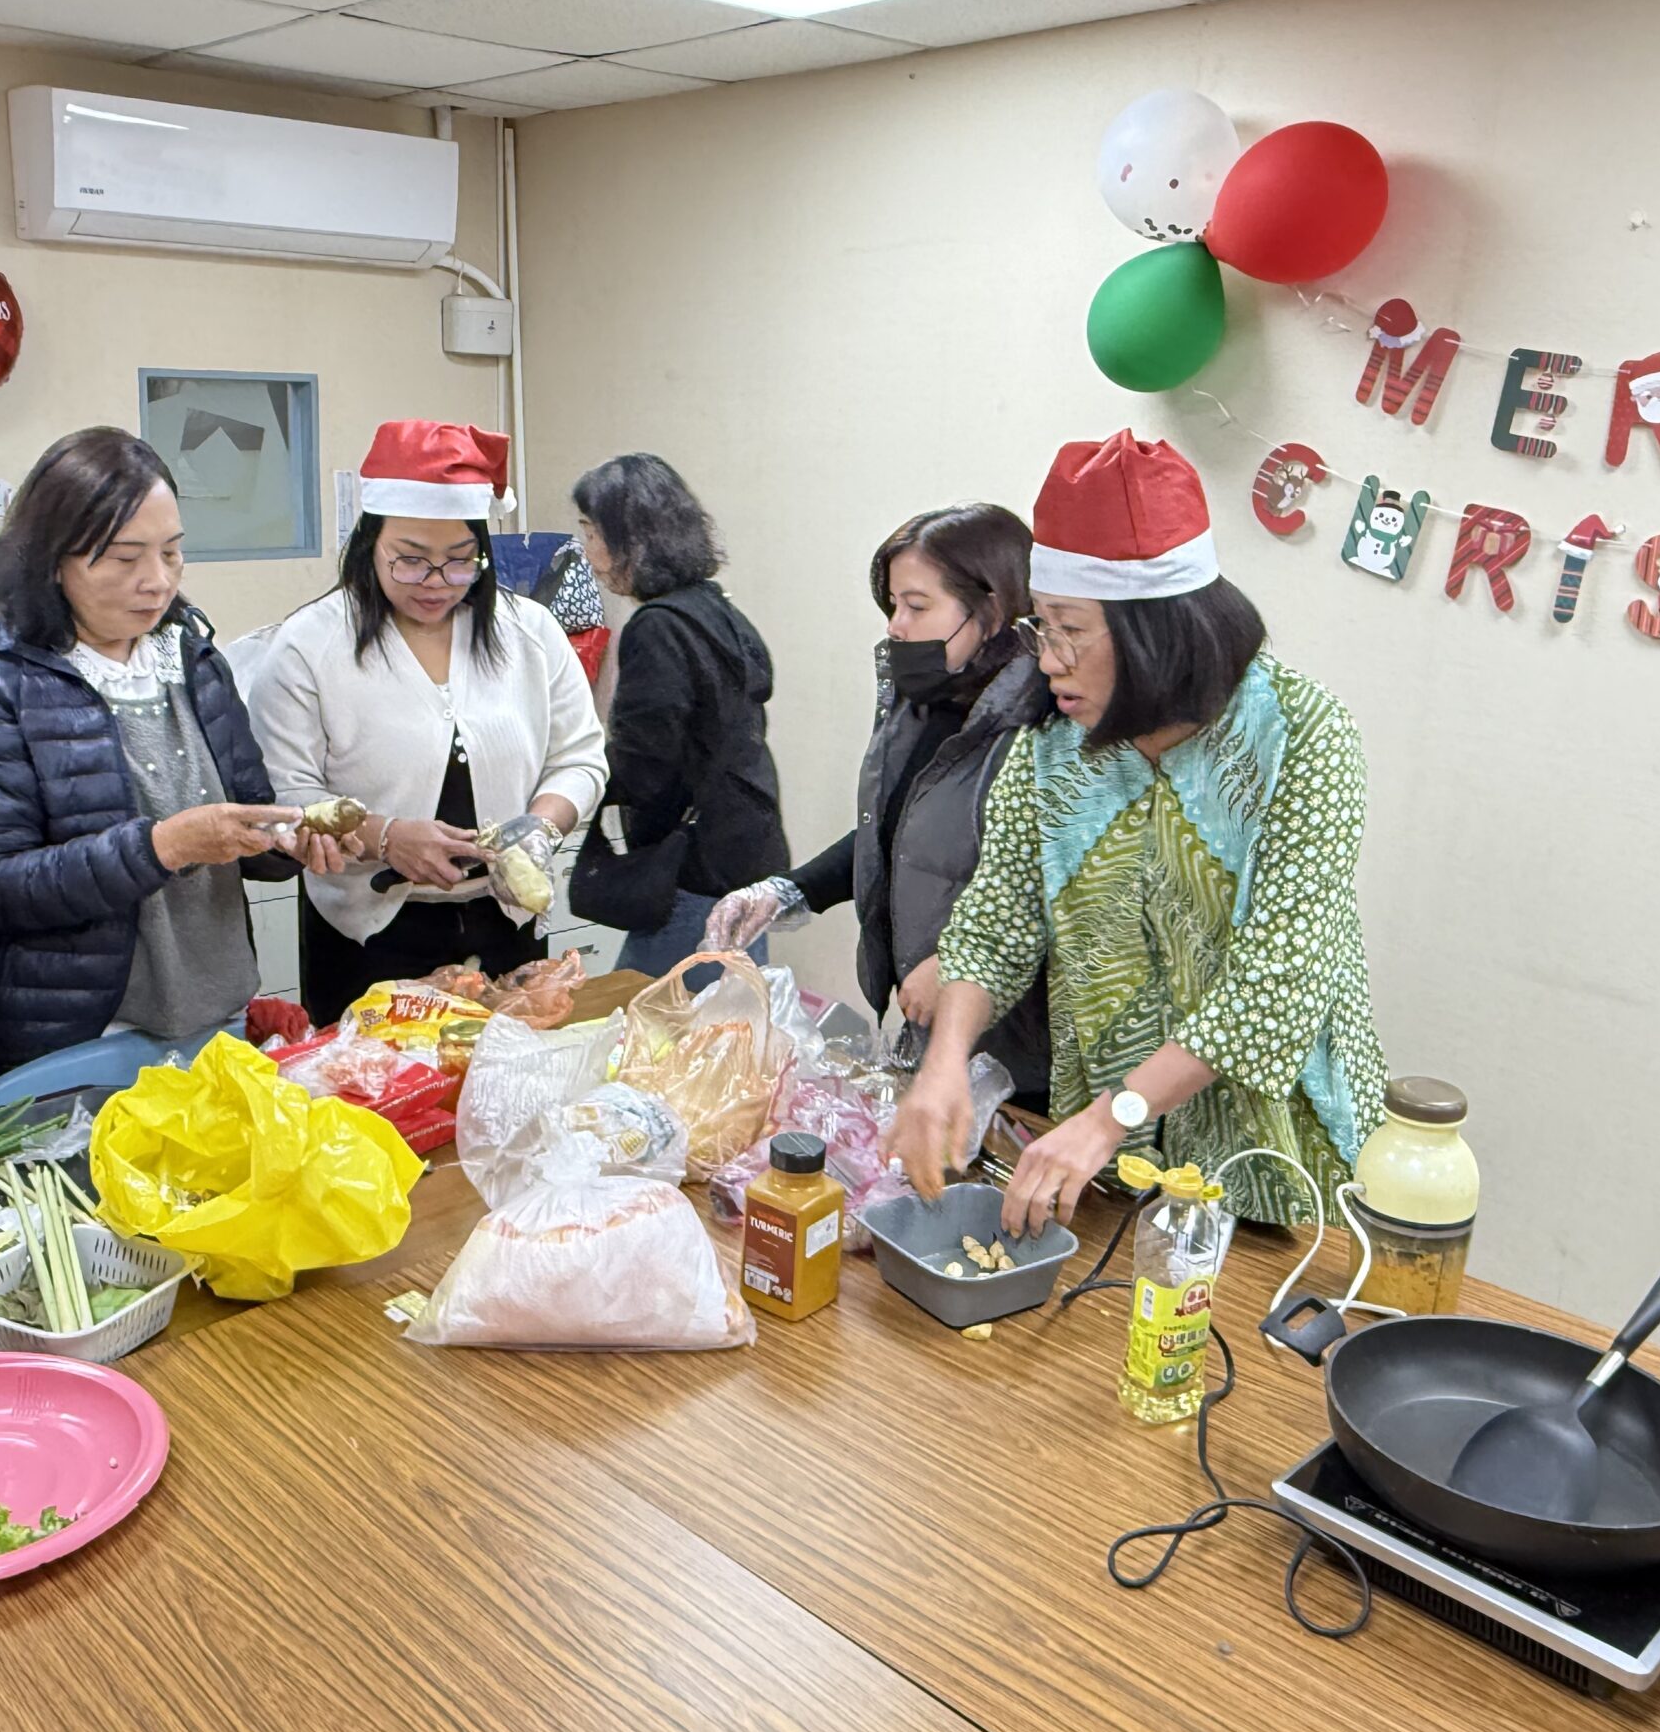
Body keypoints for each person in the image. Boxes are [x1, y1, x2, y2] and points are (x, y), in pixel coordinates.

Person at [886, 432, 1386, 1237]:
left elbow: (1275, 988)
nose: (1046, 660)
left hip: (1274, 1156)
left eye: (1069, 631)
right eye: (1038, 628)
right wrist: (944, 1061)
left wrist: (1109, 1116)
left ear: (1158, 629)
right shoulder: (1051, 746)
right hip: (1107, 1153)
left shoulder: (1301, 735)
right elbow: (997, 919)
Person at [0, 427, 334, 1081]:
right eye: (123, 558)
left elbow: (246, 823)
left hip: (213, 1018)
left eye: (173, 553)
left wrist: (283, 840)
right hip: (73, 1039)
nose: (157, 581)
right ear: (51, 559)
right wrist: (164, 847)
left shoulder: (193, 661)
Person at [250, 420, 606, 1022]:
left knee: (502, 1094)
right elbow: (287, 797)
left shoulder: (530, 633)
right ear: (369, 546)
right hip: (369, 934)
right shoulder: (309, 646)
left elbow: (580, 757)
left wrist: (540, 829)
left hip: (505, 921)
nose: (436, 583)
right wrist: (385, 836)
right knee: (374, 1102)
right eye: (410, 562)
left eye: (460, 562)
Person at [703, 505, 1052, 1105]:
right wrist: (790, 890)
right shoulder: (919, 700)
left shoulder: (1043, 723)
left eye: (918, 607)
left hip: (1018, 1043)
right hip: (927, 1022)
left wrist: (956, 962)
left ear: (993, 609)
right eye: (893, 605)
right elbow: (898, 834)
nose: (896, 626)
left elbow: (1051, 884)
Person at [570, 453, 788, 976]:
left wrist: (576, 781)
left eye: (592, 533)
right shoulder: (716, 608)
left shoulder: (657, 625)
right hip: (745, 847)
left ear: (634, 540)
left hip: (693, 866)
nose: (588, 551)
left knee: (653, 1025)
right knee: (725, 1020)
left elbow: (648, 762)